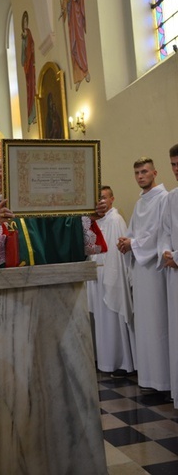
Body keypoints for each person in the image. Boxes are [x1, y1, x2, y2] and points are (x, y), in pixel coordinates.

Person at [0, 117, 107, 445]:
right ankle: (1, 432)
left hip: (38, 300)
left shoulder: (27, 201)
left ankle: (44, 423)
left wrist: (85, 216)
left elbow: (56, 229)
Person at [117, 158, 170, 394]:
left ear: (155, 173)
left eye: (144, 171)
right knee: (145, 324)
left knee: (158, 323)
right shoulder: (140, 203)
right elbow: (133, 232)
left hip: (154, 271)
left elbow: (159, 233)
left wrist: (133, 244)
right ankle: (149, 378)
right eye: (137, 172)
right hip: (140, 270)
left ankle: (164, 381)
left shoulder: (163, 199)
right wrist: (125, 242)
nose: (140, 176)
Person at [87, 186, 136, 377]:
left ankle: (122, 362)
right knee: (102, 321)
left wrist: (111, 275)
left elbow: (118, 253)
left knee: (114, 318)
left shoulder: (115, 219)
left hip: (113, 277)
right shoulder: (96, 221)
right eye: (98, 198)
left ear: (112, 199)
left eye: (104, 198)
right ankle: (106, 361)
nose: (101, 202)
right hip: (98, 276)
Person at [157, 144, 178, 406]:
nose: (176, 170)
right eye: (173, 165)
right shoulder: (172, 198)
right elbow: (164, 231)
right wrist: (165, 252)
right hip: (174, 275)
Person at [61, 0, 90, 91]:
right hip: (70, 12)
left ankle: (85, 69)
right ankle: (78, 77)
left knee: (79, 40)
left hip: (77, 9)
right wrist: (63, 7)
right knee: (73, 44)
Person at [21, 11, 36, 126]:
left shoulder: (29, 35)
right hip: (27, 68)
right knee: (29, 88)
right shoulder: (23, 38)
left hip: (31, 65)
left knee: (33, 87)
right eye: (24, 22)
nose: (25, 24)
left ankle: (33, 113)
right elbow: (22, 58)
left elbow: (31, 47)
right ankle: (31, 115)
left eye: (26, 21)